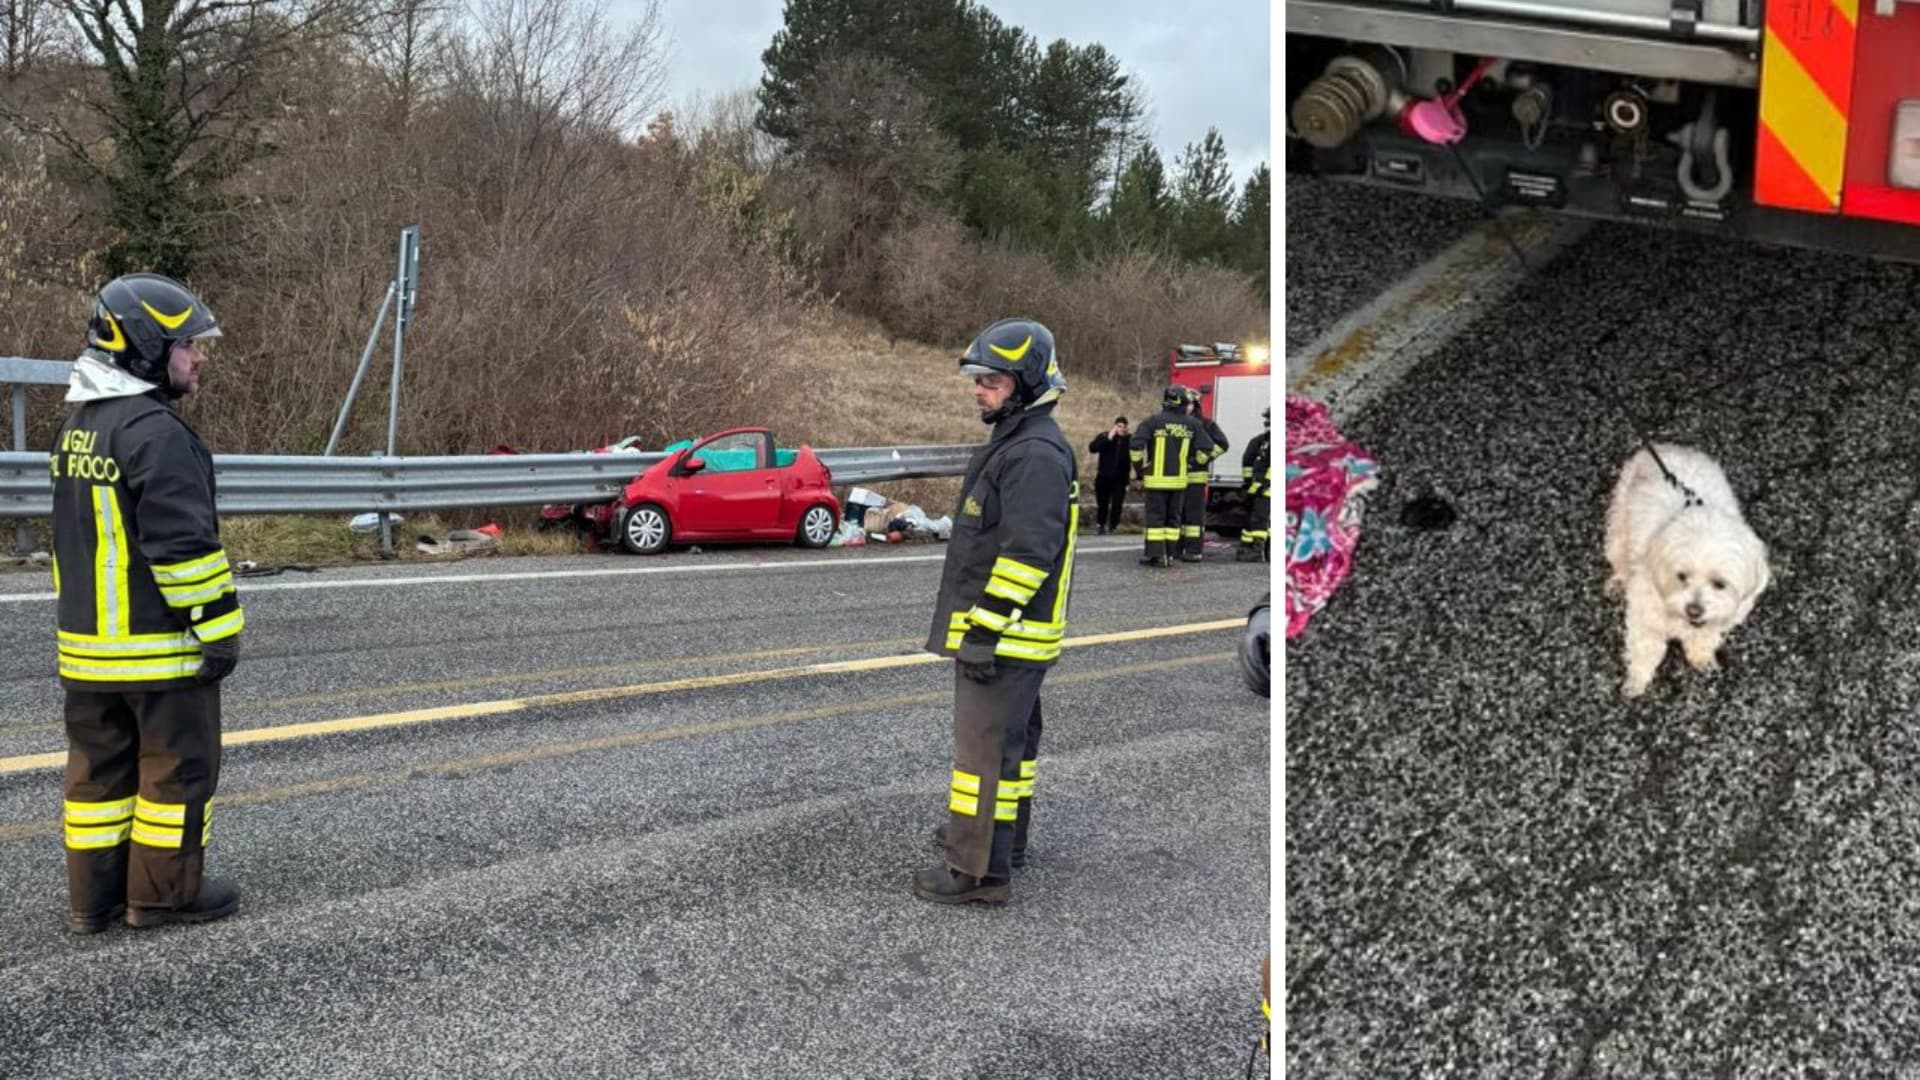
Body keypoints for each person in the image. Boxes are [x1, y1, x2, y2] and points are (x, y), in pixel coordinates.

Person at [52, 272, 244, 933]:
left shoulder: (78, 429)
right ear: (145, 349)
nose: (198, 358)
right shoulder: (157, 435)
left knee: (97, 781)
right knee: (175, 775)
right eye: (188, 345)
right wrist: (220, 630)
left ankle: (93, 902)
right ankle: (162, 897)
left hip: (87, 657)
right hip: (159, 656)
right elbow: (183, 548)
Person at [916, 317, 1077, 906]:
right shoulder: (1022, 442)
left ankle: (976, 872)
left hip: (1004, 638)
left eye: (993, 380)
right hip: (1017, 638)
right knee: (1010, 749)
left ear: (1027, 383)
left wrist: (983, 628)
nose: (978, 389)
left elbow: (1028, 554)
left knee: (981, 756)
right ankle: (1003, 843)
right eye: (978, 378)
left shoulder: (1033, 454)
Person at [1129, 387, 1212, 568]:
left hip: (1156, 481)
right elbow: (1207, 448)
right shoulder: (1192, 424)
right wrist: (1193, 463)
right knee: (1173, 519)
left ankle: (1156, 556)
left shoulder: (1152, 422)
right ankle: (1170, 555)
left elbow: (1135, 447)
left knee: (1156, 519)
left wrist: (1139, 469)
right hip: (1180, 482)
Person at [1179, 386, 1229, 563]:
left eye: (1190, 404)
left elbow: (1223, 444)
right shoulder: (1176, 423)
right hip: (1176, 477)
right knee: (1178, 515)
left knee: (1193, 515)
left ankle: (1194, 550)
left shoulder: (1206, 424)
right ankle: (1177, 548)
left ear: (1196, 405)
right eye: (1185, 403)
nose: (1187, 407)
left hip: (1196, 477)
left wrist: (1204, 457)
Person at [1238, 406, 1272, 563]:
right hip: (1261, 487)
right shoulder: (1264, 440)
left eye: (1268, 419)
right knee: (1262, 521)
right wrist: (1249, 484)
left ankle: (1257, 551)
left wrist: (1263, 484)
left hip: (1266, 489)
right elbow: (1249, 464)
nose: (1266, 422)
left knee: (1259, 520)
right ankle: (1264, 549)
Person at [1087, 417, 1131, 535]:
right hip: (1103, 477)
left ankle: (1113, 526)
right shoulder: (1104, 436)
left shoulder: (1129, 440)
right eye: (1119, 426)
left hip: (1120, 479)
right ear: (1114, 426)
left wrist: (1128, 481)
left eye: (1124, 427)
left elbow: (1130, 461)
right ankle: (1101, 525)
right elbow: (1093, 448)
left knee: (1117, 504)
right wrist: (1108, 438)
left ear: (1127, 428)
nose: (1121, 429)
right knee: (1102, 503)